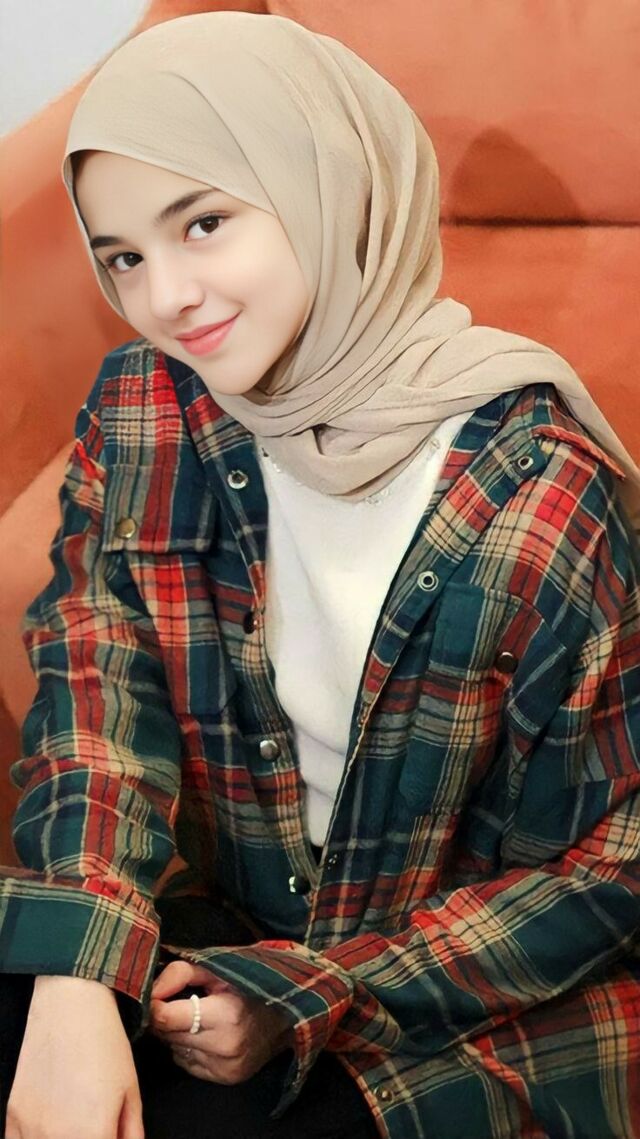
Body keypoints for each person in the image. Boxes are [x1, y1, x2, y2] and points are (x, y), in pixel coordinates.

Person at [1, 11, 639, 1139]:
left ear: (329, 189)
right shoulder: (146, 404)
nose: (166, 296)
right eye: (125, 257)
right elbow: (95, 689)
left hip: (447, 1003)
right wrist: (78, 972)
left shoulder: (540, 491)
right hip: (211, 928)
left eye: (203, 222)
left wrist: (310, 992)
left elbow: (606, 871)